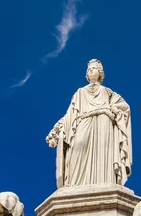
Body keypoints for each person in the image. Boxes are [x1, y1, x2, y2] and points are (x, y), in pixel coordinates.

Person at [46, 59, 132, 187]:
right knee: (78, 145)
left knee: (103, 151)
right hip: (84, 120)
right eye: (89, 69)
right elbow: (70, 114)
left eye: (94, 68)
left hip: (104, 121)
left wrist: (114, 109)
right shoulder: (80, 92)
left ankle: (105, 182)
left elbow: (125, 107)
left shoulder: (107, 92)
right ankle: (75, 185)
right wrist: (58, 128)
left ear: (100, 72)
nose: (91, 70)